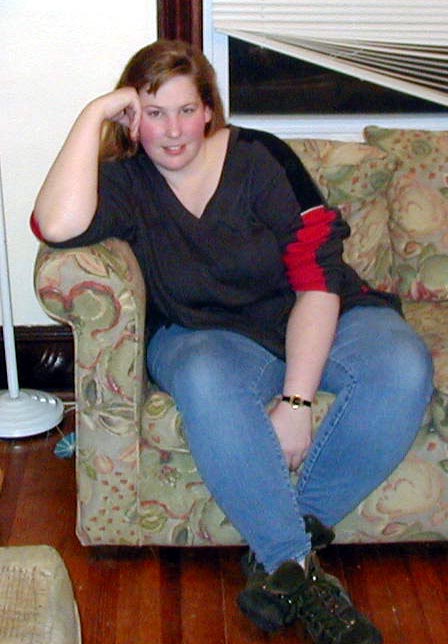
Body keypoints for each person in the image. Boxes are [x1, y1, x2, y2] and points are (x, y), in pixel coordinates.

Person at [32, 39, 433, 644]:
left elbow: (317, 279)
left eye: (185, 110)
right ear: (131, 118)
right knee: (202, 377)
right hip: (206, 335)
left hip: (314, 311)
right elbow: (55, 225)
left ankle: (281, 558)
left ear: (208, 110)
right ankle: (298, 569)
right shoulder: (125, 182)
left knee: (403, 365)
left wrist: (296, 402)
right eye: (154, 112)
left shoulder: (261, 159)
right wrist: (94, 114)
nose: (173, 131)